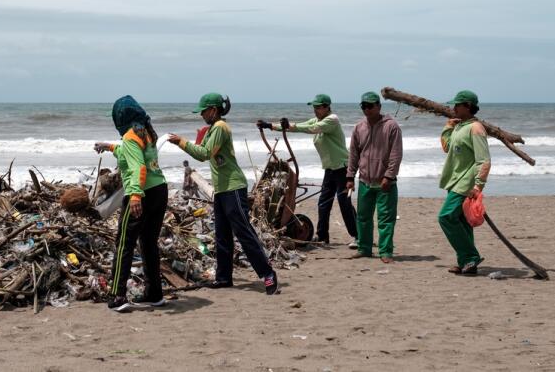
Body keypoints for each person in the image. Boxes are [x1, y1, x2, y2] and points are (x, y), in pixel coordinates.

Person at [168, 92, 278, 295]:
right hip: (221, 188)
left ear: (214, 110)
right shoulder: (212, 130)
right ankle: (224, 277)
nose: (202, 115)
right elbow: (202, 150)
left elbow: (204, 154)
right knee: (222, 236)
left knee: (244, 233)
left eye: (204, 111)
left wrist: (182, 142)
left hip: (233, 187)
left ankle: (268, 274)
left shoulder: (220, 127)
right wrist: (195, 139)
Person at [94, 95, 168, 312]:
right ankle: (155, 293)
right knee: (148, 243)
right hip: (159, 191)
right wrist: (108, 147)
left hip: (142, 193)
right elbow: (130, 154)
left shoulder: (130, 136)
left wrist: (135, 195)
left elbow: (138, 168)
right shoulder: (145, 132)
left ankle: (117, 295)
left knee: (125, 243)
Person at [257, 93, 358, 248]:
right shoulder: (316, 120)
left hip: (343, 168)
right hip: (330, 169)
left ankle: (357, 236)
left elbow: (311, 129)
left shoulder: (332, 120)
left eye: (318, 107)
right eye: (314, 107)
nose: (315, 110)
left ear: (327, 107)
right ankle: (323, 236)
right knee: (323, 203)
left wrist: (291, 125)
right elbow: (297, 126)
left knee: (344, 202)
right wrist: (270, 126)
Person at [438, 90, 491, 276]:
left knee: (445, 217)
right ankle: (466, 263)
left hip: (466, 183)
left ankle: (470, 256)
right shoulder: (460, 126)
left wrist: (478, 186)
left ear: (467, 106)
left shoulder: (476, 128)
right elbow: (447, 147)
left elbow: (484, 160)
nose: (453, 108)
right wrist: (448, 127)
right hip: (454, 180)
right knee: (462, 221)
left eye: (457, 105)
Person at [346, 91, 403, 263]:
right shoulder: (359, 127)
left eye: (370, 106)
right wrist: (350, 177)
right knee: (363, 217)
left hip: (385, 182)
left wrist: (389, 176)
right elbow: (354, 154)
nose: (367, 109)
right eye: (364, 106)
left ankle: (385, 252)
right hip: (365, 181)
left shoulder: (391, 126)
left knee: (385, 219)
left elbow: (396, 154)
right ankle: (364, 248)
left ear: (379, 106)